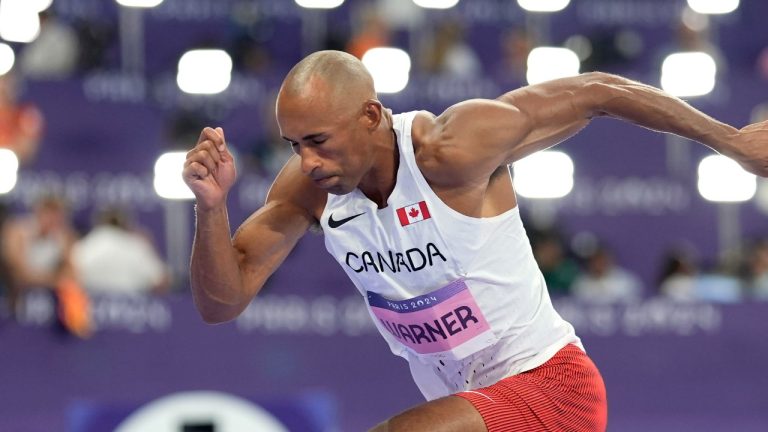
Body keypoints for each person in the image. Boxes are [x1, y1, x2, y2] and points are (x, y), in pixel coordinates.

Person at [182, 50, 768, 432]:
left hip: (549, 387)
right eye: (293, 146)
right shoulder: (311, 189)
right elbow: (221, 302)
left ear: (369, 116)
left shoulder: (451, 150)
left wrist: (732, 141)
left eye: (318, 141)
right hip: (475, 410)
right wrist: (211, 210)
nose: (307, 161)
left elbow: (596, 91)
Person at [72, 207, 170, 295]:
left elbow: (69, 277)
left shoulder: (84, 246)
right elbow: (161, 280)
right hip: (134, 308)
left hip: (91, 307)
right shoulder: (136, 245)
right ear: (125, 224)